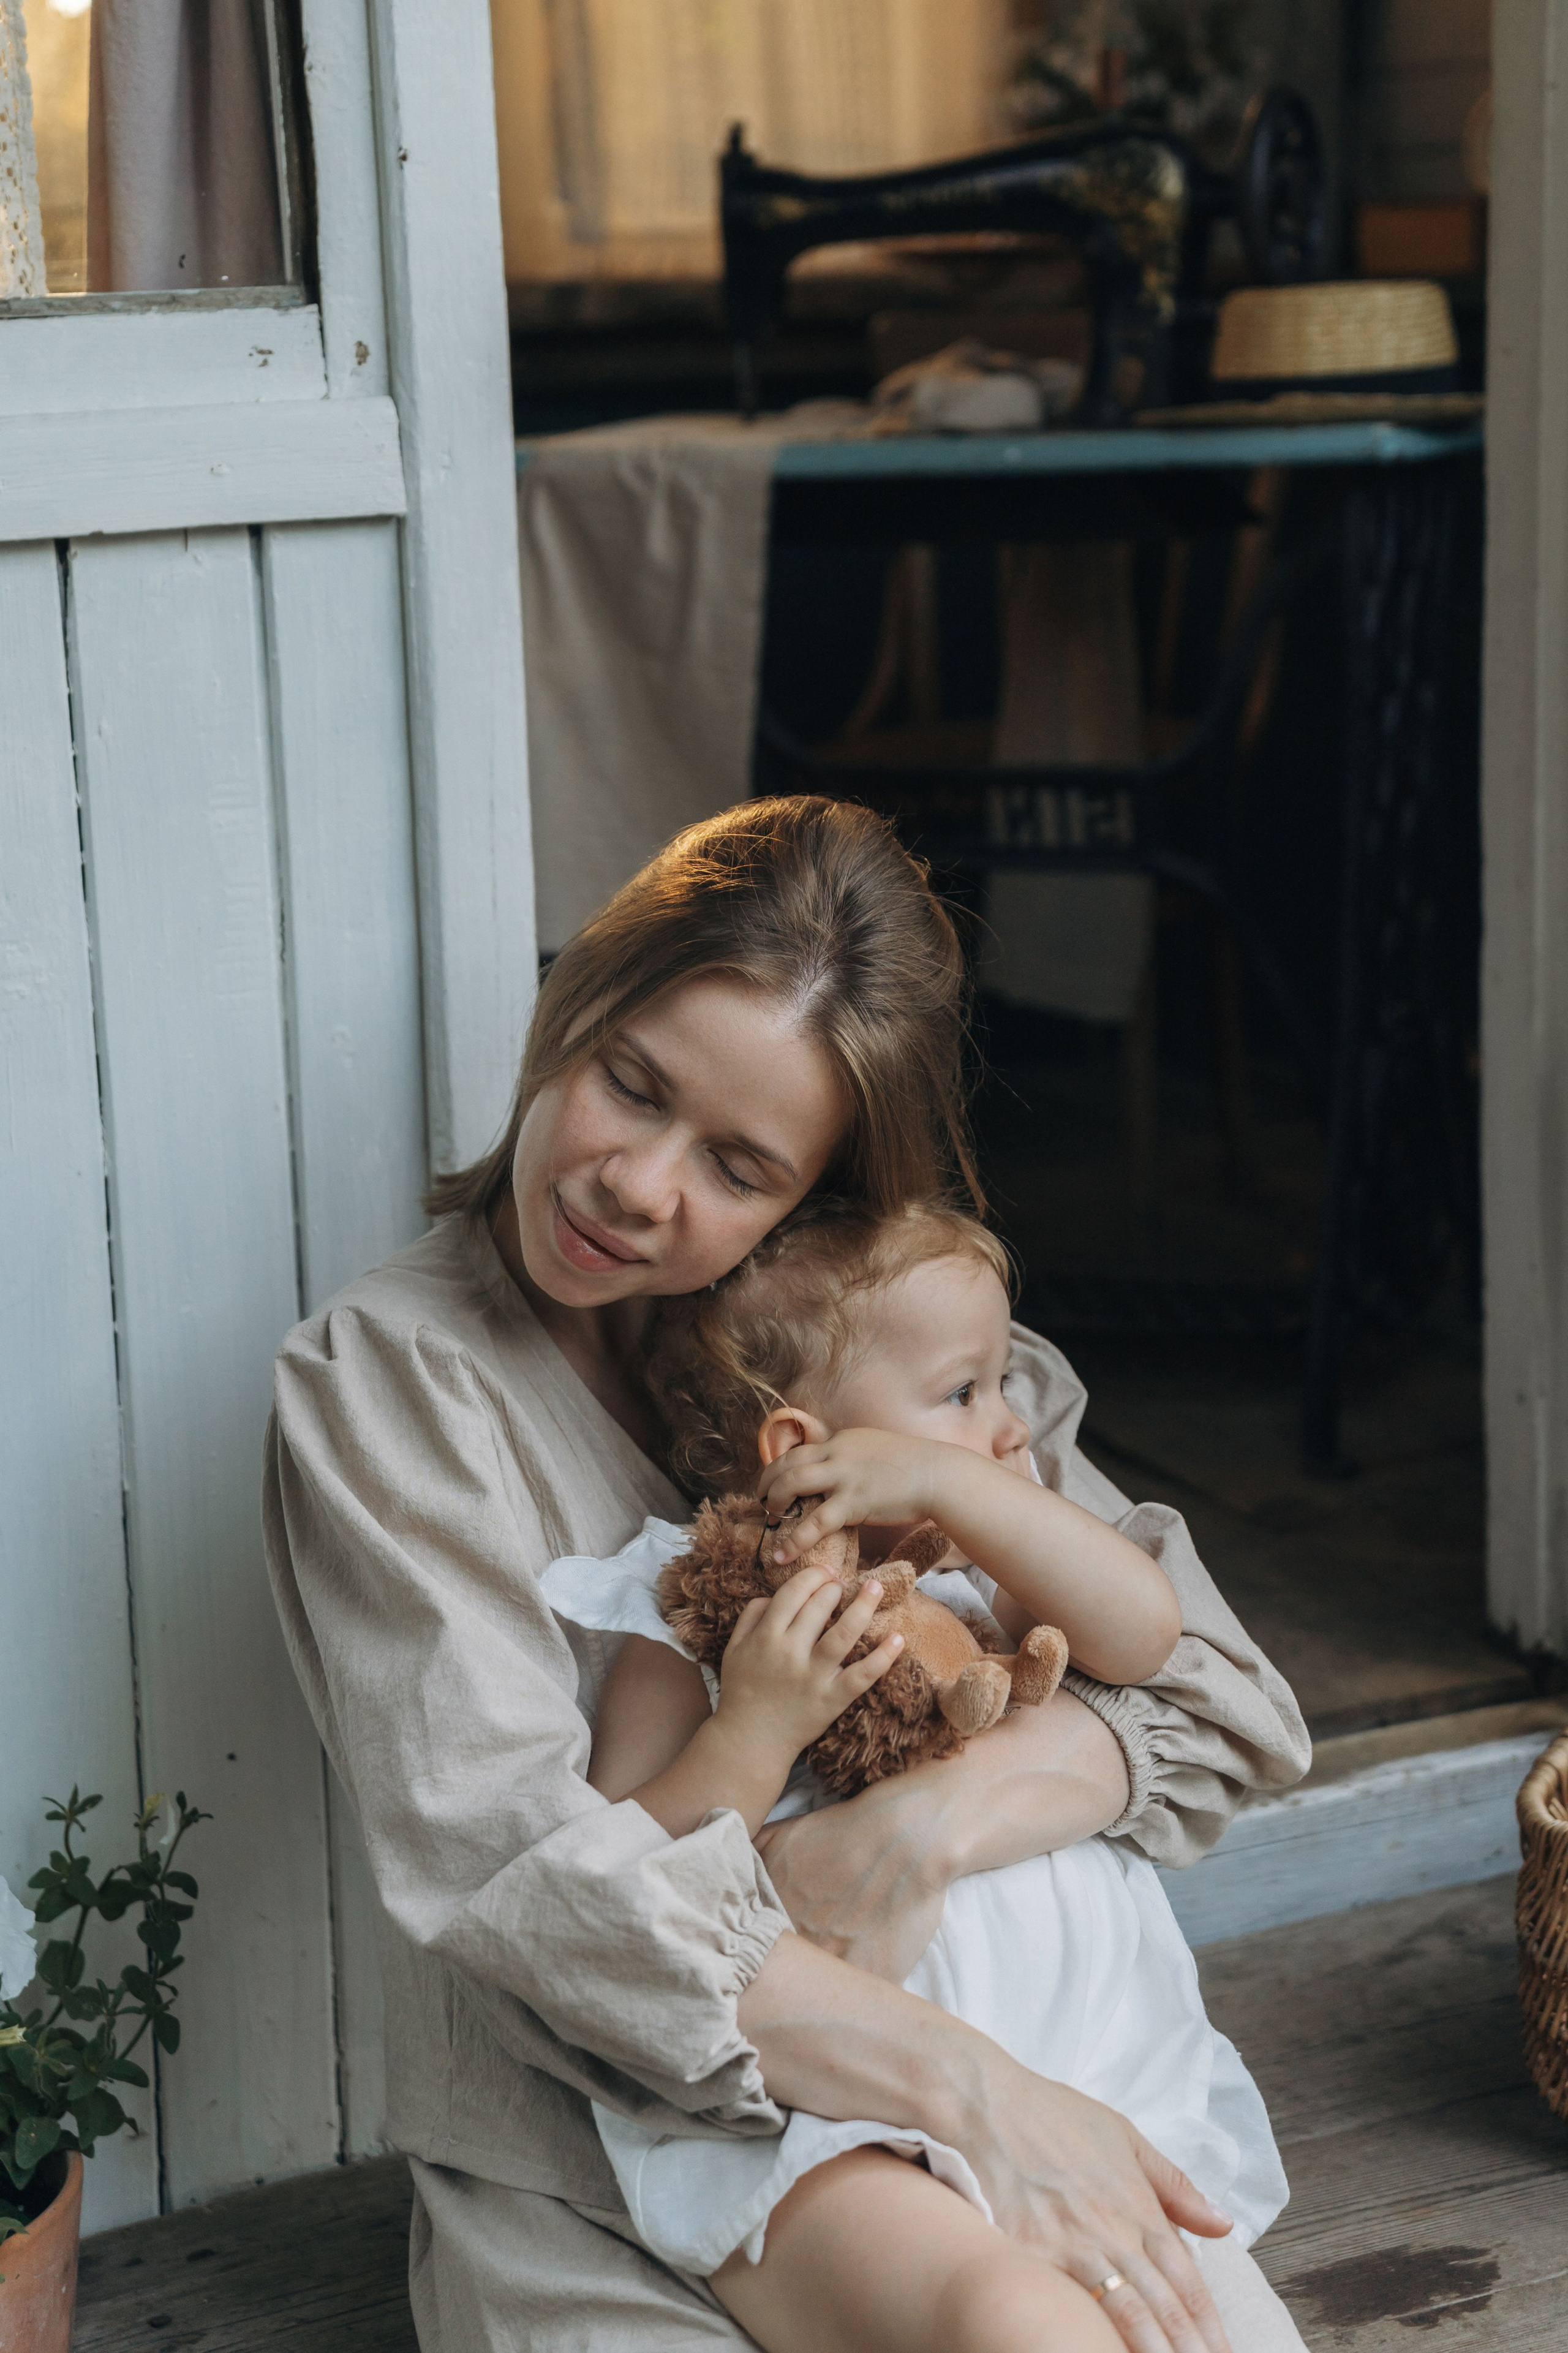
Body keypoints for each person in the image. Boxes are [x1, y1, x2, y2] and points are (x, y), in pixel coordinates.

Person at [264, 798, 1310, 2353]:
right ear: (579, 999)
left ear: (818, 1195)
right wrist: (972, 2088)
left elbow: (1212, 1694)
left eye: (739, 1165)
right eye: (631, 1084)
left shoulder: (897, 1340)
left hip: (1023, 2070)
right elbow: (550, 1896)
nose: (636, 1183)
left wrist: (915, 1827)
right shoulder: (391, 1389)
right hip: (628, 2168)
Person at [540, 1201, 1306, 2352]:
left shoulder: (983, 1581)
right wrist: (757, 1723)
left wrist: (959, 1493)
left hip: (1089, 2086)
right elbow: (635, 1879)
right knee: (1009, 2321)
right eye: (965, 1392)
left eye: (1004, 1385)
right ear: (801, 1443)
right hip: (837, 2124)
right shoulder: (686, 1623)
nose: (1009, 1428)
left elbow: (1146, 1632)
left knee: (1218, 2333)